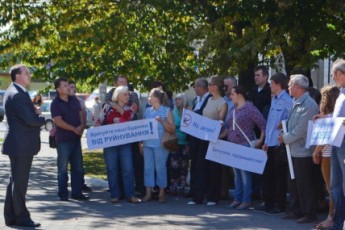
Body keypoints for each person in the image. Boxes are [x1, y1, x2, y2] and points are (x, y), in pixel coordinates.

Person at [2, 64, 45, 227]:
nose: (29, 75)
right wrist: (41, 119)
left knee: (15, 181)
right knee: (19, 183)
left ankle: (11, 216)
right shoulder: (18, 94)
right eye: (27, 73)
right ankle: (21, 218)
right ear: (17, 76)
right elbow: (31, 120)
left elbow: (24, 116)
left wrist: (33, 112)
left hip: (18, 144)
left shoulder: (14, 91)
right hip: (21, 145)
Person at [278, 74, 319, 224]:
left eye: (290, 85)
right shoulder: (296, 102)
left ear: (297, 87)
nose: (288, 87)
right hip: (293, 150)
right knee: (293, 182)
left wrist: (285, 138)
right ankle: (296, 210)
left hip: (303, 151)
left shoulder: (308, 104)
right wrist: (284, 130)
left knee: (304, 184)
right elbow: (292, 124)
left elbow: (301, 129)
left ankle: (309, 213)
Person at [96, 86, 141, 204]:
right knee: (112, 169)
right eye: (125, 94)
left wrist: (118, 108)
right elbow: (99, 122)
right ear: (118, 95)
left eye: (128, 94)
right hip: (110, 144)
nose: (128, 96)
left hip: (125, 144)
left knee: (128, 169)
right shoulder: (107, 108)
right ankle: (114, 195)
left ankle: (130, 195)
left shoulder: (130, 108)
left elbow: (128, 118)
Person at [188, 75, 228, 205]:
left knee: (213, 168)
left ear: (216, 87)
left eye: (211, 85)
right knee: (201, 166)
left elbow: (220, 121)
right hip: (202, 137)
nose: (209, 87)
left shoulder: (223, 102)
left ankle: (212, 197)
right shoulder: (209, 100)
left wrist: (214, 131)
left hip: (213, 138)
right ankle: (198, 196)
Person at [225, 85, 266, 210]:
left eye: (232, 94)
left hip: (245, 145)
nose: (230, 96)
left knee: (245, 174)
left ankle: (246, 200)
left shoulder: (250, 108)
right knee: (236, 174)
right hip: (233, 145)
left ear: (239, 95)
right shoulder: (233, 108)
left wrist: (260, 140)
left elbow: (263, 124)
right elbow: (228, 125)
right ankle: (237, 198)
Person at [50, 77, 89, 201]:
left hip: (76, 139)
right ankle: (63, 194)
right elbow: (58, 121)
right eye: (65, 85)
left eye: (68, 85)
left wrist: (82, 126)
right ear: (58, 89)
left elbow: (80, 115)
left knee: (77, 167)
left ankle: (77, 193)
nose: (68, 87)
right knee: (62, 169)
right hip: (63, 140)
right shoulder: (55, 103)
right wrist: (74, 129)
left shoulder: (74, 100)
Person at [259, 73, 292, 214]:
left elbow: (291, 119)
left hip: (279, 142)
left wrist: (283, 124)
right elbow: (270, 123)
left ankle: (280, 204)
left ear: (278, 84)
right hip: (270, 142)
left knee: (279, 176)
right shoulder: (274, 99)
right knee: (268, 174)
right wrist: (266, 141)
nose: (270, 86)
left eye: (272, 83)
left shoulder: (287, 100)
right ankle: (268, 202)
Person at [312, 85, 340, 229]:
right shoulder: (335, 115)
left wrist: (316, 151)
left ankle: (331, 217)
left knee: (331, 189)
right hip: (333, 154)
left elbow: (324, 139)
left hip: (328, 155)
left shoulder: (329, 117)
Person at [323, 59, 345, 230]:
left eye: (333, 74)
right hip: (336, 141)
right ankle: (338, 222)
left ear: (339, 74)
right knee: (335, 184)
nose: (332, 78)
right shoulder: (341, 93)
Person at [142, 87, 175, 203]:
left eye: (150, 96)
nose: (148, 98)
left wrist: (162, 121)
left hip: (161, 145)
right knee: (148, 168)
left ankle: (161, 193)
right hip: (147, 144)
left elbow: (172, 129)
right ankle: (148, 193)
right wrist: (140, 143)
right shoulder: (147, 111)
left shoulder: (167, 111)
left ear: (156, 98)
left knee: (160, 168)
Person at [247, 65, 271, 201]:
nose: (256, 78)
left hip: (263, 131)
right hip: (252, 131)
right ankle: (254, 191)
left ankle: (262, 192)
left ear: (265, 76)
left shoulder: (269, 91)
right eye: (255, 75)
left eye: (258, 75)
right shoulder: (252, 91)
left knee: (264, 163)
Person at [185, 78, 212, 198]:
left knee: (201, 166)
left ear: (201, 87)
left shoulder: (210, 98)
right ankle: (194, 190)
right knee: (194, 164)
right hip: (194, 138)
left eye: (195, 86)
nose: (194, 89)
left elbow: (205, 115)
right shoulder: (196, 100)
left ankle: (201, 192)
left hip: (203, 139)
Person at [68, 80, 92, 192]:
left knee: (78, 163)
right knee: (64, 165)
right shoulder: (62, 101)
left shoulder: (80, 102)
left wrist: (80, 131)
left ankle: (79, 185)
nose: (72, 89)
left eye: (74, 87)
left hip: (77, 136)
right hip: (64, 138)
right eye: (70, 87)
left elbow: (83, 118)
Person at [169, 93, 190, 195]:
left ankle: (182, 185)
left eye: (179, 99)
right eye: (176, 99)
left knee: (184, 165)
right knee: (174, 165)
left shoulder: (188, 112)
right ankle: (173, 186)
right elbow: (170, 126)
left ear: (184, 100)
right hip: (175, 142)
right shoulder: (173, 113)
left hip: (186, 142)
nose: (177, 101)